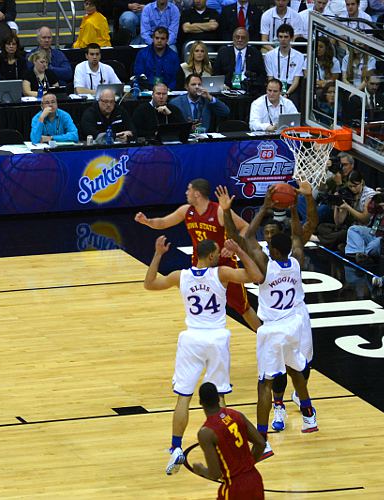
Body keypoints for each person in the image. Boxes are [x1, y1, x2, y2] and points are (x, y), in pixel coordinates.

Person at [143, 234, 262, 475]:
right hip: (216, 338)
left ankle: (176, 447)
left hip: (192, 338)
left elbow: (149, 283)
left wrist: (157, 254)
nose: (220, 255)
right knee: (220, 397)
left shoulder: (180, 276)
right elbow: (256, 276)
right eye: (217, 253)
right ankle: (226, 444)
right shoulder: (221, 274)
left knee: (183, 397)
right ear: (210, 256)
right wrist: (238, 250)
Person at [218, 183, 319, 460]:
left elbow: (239, 236)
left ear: (271, 248)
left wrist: (261, 208)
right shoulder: (297, 259)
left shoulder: (263, 265)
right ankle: (309, 414)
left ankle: (261, 442)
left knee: (264, 383)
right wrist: (298, 205)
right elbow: (300, 232)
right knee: (294, 368)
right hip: (295, 324)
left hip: (273, 329)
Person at [135, 178, 260, 329]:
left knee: (243, 308)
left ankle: (262, 335)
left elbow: (244, 227)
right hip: (199, 265)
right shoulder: (186, 211)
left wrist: (234, 245)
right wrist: (147, 221)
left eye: (189, 189)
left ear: (197, 194)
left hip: (223, 264)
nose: (186, 192)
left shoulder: (219, 210)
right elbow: (163, 222)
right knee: (200, 303)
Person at [188, 382, 265, 499]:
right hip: (255, 480)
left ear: (200, 402)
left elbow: (215, 474)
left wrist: (201, 470)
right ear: (218, 398)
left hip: (234, 487)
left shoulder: (206, 433)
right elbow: (261, 443)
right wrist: (247, 467)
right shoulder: (236, 415)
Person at [213, 27, 266, 94]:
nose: (240, 40)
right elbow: (216, 73)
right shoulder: (223, 52)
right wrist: (222, 85)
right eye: (237, 37)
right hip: (227, 89)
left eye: (243, 37)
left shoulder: (255, 53)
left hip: (249, 90)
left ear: (247, 39)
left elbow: (262, 75)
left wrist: (253, 86)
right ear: (233, 38)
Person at [263, 23, 304, 102]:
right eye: (280, 37)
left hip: (291, 88)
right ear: (277, 38)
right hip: (274, 87)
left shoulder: (299, 56)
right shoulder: (269, 55)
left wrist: (287, 94)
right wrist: (275, 92)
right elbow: (270, 78)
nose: (283, 39)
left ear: (291, 38)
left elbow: (296, 80)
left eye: (286, 37)